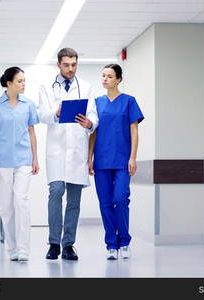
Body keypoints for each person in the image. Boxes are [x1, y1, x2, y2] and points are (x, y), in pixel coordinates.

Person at [38, 48, 98, 260]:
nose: (71, 69)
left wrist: (90, 123)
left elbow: (93, 115)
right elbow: (41, 114)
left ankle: (68, 245)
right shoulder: (46, 87)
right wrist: (54, 113)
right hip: (56, 150)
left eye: (74, 65)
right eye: (66, 65)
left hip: (77, 150)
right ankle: (54, 243)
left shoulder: (87, 87)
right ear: (59, 65)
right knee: (55, 193)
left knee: (74, 200)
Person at [88, 64, 144, 260]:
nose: (105, 79)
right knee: (105, 203)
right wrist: (89, 158)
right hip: (101, 160)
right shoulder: (96, 103)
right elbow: (93, 132)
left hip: (122, 160)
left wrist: (133, 157)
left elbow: (134, 131)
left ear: (119, 79)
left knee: (120, 200)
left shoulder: (129, 101)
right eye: (103, 75)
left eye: (109, 76)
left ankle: (125, 241)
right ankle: (111, 243)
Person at [0, 66, 39, 262]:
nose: (23, 84)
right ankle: (12, 249)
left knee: (21, 202)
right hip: (2, 161)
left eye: (24, 81)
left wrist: (35, 158)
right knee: (6, 207)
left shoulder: (29, 105)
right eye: (19, 81)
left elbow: (32, 132)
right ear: (8, 84)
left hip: (24, 160)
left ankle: (24, 249)